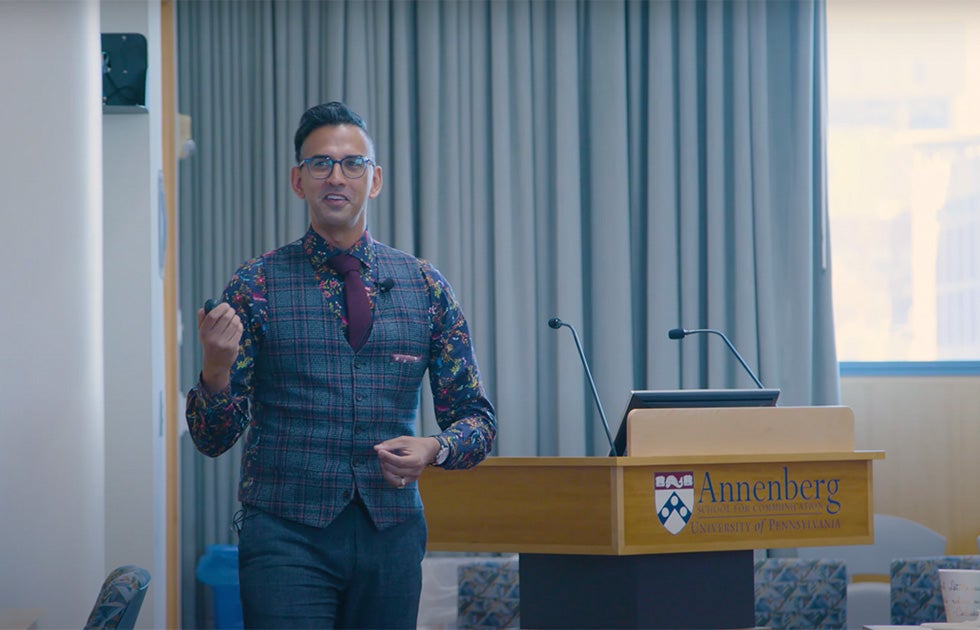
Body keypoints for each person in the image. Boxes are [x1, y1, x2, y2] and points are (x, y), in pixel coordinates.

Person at [185, 101, 496, 629]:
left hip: (391, 535)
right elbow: (212, 439)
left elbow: (477, 421)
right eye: (320, 163)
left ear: (374, 181)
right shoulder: (255, 285)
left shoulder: (424, 286)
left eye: (353, 164)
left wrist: (434, 448)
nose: (337, 176)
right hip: (286, 535)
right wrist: (215, 370)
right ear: (297, 180)